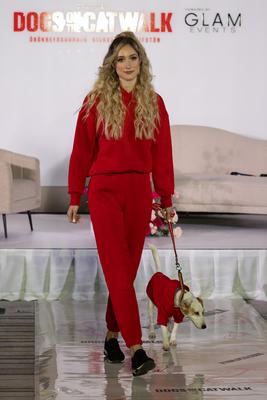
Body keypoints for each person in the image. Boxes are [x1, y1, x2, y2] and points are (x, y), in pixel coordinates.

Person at [67, 31, 174, 376]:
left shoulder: (154, 102)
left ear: (141, 61)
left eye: (132, 57)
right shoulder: (95, 101)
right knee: (116, 267)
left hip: (139, 192)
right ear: (111, 65)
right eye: (120, 59)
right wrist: (73, 195)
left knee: (125, 272)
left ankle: (111, 337)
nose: (127, 65)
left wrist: (166, 197)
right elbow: (82, 150)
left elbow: (162, 154)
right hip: (105, 192)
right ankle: (137, 348)